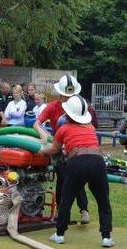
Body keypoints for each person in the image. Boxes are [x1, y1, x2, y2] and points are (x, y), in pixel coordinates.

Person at [39, 95, 114, 248]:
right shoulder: (90, 128)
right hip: (97, 161)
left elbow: (54, 150)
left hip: (77, 163)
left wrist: (42, 151)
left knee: (67, 198)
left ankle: (59, 234)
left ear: (67, 113)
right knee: (103, 200)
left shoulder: (63, 129)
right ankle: (106, 237)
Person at [33, 74, 91, 225]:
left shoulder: (79, 106)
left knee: (78, 178)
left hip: (75, 147)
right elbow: (37, 123)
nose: (68, 98)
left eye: (71, 96)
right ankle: (60, 210)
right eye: (66, 96)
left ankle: (84, 209)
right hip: (59, 147)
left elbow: (88, 125)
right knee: (62, 179)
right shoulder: (52, 107)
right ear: (60, 94)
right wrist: (43, 134)